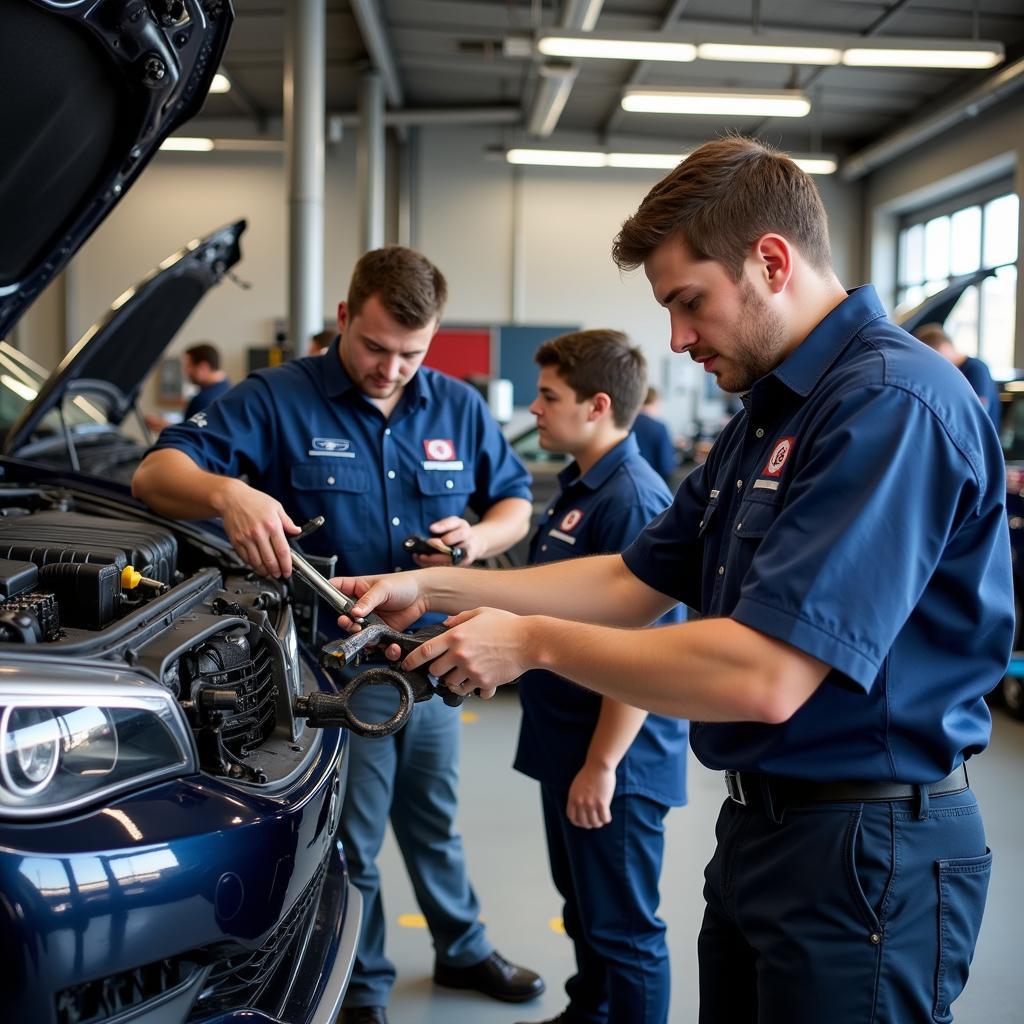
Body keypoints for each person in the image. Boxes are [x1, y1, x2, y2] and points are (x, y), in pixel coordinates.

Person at [332, 139, 1012, 1024]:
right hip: (766, 832)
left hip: (865, 846)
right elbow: (630, 581)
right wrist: (433, 590)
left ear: (771, 261)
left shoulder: (889, 404)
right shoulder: (767, 415)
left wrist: (529, 643)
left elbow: (762, 675)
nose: (677, 339)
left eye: (690, 302)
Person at [131, 246, 544, 1024]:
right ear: (345, 319)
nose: (392, 369)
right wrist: (227, 492)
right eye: (376, 348)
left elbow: (515, 501)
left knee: (434, 821)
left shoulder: (456, 406)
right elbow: (154, 478)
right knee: (348, 840)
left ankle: (462, 948)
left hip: (432, 667)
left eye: (412, 354)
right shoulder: (276, 399)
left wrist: (476, 541)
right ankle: (365, 985)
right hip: (327, 685)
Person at [516, 329, 688, 1024]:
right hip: (569, 743)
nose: (534, 409)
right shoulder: (583, 488)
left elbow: (645, 650)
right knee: (584, 910)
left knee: (625, 929)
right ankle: (588, 1011)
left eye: (548, 396)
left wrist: (603, 763)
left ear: (596, 405)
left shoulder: (632, 502)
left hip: (613, 756)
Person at [914, 321, 1002, 432]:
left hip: (979, 444)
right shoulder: (950, 373)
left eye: (932, 354)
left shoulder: (976, 368)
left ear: (944, 347)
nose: (931, 362)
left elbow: (977, 412)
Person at [144, 342, 231, 432]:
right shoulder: (226, 388)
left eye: (188, 366)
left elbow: (190, 437)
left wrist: (163, 426)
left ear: (203, 366)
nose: (185, 371)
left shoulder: (203, 400)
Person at [631, 386, 676, 483]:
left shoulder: (625, 424)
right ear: (655, 402)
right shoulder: (659, 427)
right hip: (652, 483)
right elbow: (666, 466)